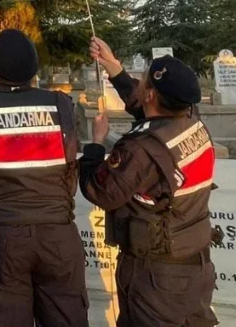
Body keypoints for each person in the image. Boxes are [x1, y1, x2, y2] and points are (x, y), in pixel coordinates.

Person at [0, 29, 88, 327]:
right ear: (34, 66)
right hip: (58, 235)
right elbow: (70, 156)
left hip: (4, 237)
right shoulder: (60, 105)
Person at [80, 39, 219, 327]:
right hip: (195, 263)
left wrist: (95, 144)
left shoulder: (141, 149)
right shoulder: (192, 122)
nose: (139, 85)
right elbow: (145, 108)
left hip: (156, 277)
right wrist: (113, 67)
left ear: (151, 95)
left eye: (143, 81)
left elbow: (100, 191)